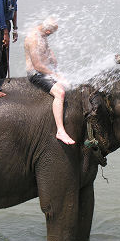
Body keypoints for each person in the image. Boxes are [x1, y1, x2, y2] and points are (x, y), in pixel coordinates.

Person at [24, 17, 75, 145]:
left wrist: (54, 62)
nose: (50, 35)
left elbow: (47, 51)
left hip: (47, 71)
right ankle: (60, 131)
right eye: (51, 33)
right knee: (60, 93)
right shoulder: (33, 39)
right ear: (47, 30)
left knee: (70, 84)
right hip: (36, 74)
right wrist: (56, 75)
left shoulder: (42, 34)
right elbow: (37, 66)